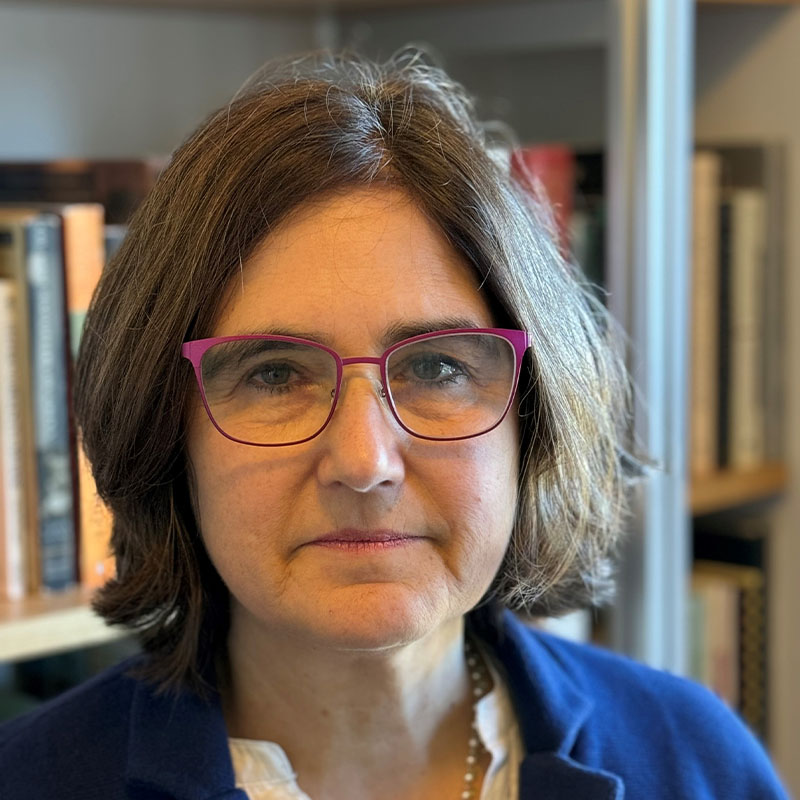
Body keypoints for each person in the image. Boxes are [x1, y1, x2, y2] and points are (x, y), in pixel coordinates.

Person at [0, 50, 788, 800]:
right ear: (166, 432)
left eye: (438, 367)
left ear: (533, 417)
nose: (365, 460)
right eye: (274, 375)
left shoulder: (696, 761)